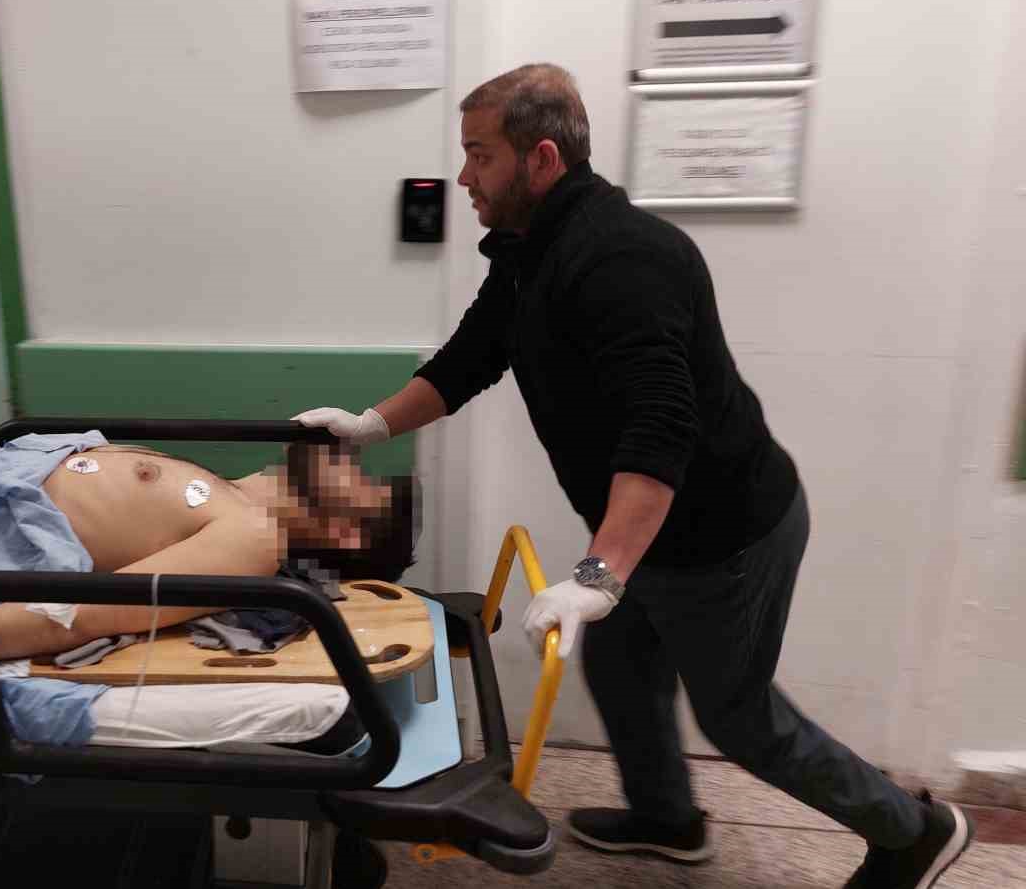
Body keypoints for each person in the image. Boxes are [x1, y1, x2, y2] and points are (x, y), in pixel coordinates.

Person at [294, 64, 971, 888]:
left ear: (542, 159)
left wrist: (599, 573)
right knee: (620, 663)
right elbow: (470, 358)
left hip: (723, 535)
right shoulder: (530, 253)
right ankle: (666, 818)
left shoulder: (623, 258)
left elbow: (662, 426)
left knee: (740, 717)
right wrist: (371, 424)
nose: (465, 176)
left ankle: (913, 830)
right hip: (655, 529)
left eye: (480, 155)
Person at [0, 437, 416, 677]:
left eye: (368, 482)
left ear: (349, 535)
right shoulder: (229, 492)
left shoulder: (253, 539)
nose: (351, 460)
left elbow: (79, 613)